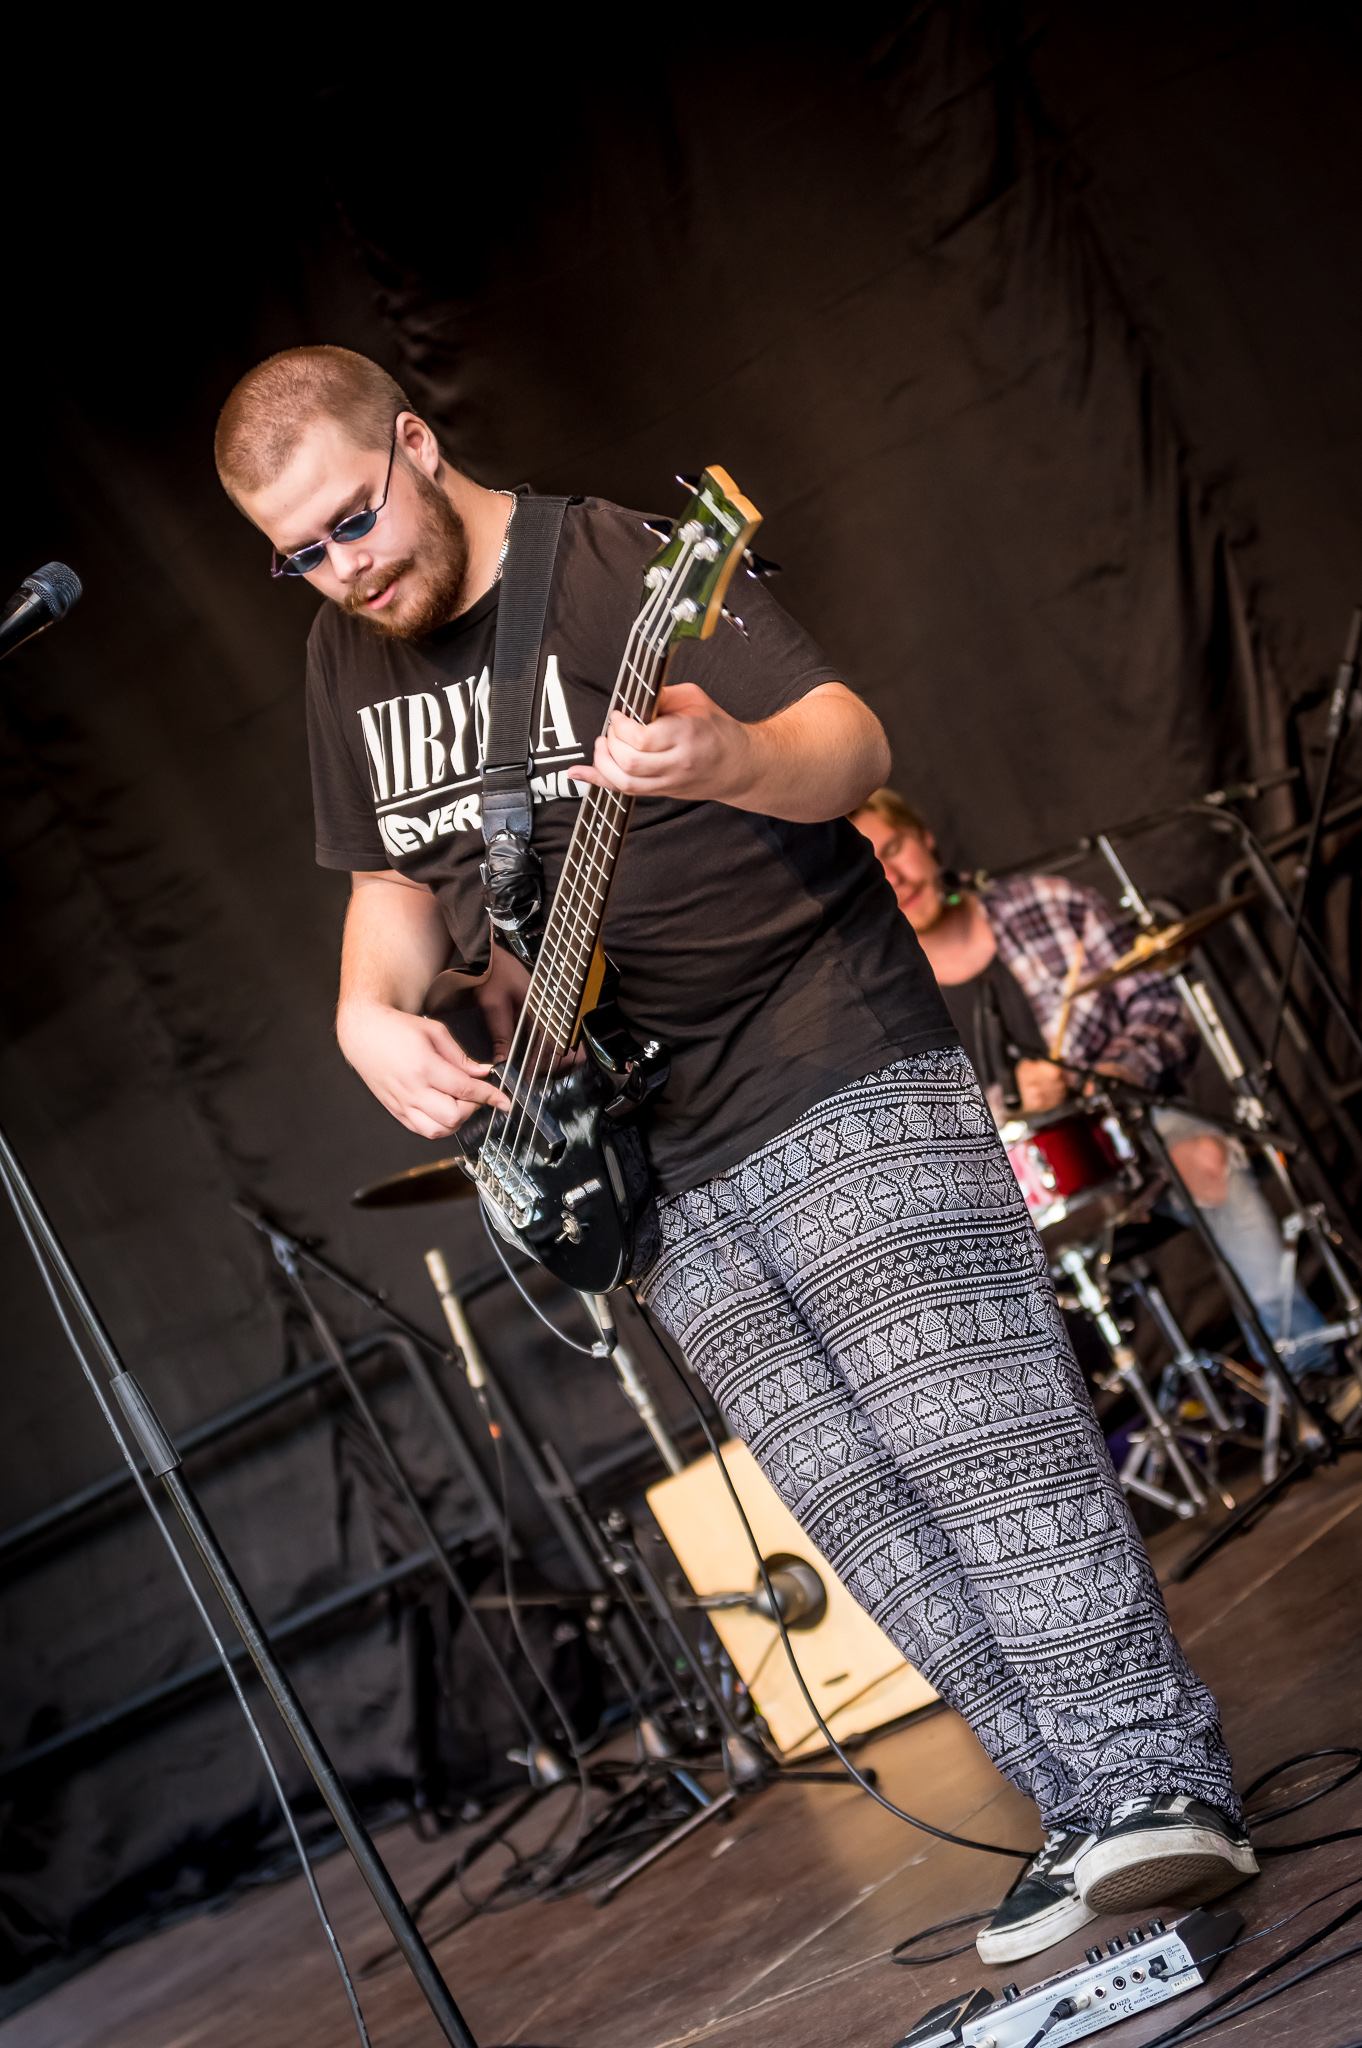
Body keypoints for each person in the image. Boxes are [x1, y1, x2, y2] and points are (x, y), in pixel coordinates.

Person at [214, 344, 1256, 1967]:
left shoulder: (614, 560)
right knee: (862, 1504)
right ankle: (1079, 1814)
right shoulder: (342, 658)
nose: (345, 569)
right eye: (301, 555)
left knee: (971, 1431)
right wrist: (363, 1012)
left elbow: (847, 739)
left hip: (821, 1039)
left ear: (414, 442)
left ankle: (1155, 1782)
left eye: (353, 520)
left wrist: (727, 761)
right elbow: (392, 884)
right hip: (646, 1142)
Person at [849, 787, 1334, 1379]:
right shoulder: (883, 997)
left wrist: (1108, 1074)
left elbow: (1162, 1010)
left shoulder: (1050, 904)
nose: (895, 876)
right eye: (873, 869)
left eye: (895, 848)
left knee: (1208, 1158)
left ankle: (1305, 1366)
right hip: (1002, 1196)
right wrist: (1006, 1107)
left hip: (1124, 1132)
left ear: (925, 838)